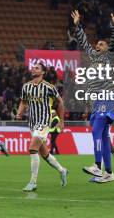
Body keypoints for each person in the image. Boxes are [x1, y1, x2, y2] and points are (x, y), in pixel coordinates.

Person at [72, 9, 114, 183]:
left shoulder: (108, 58)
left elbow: (113, 42)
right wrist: (78, 26)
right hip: (97, 101)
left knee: (96, 131)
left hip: (107, 97)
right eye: (97, 45)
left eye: (101, 45)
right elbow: (83, 42)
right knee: (103, 137)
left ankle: (97, 165)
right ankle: (109, 173)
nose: (98, 46)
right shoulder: (93, 58)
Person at [17, 63, 68, 192]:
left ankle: (33, 182)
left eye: (37, 68)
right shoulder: (26, 87)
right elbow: (23, 102)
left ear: (43, 72)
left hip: (44, 122)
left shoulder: (48, 87)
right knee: (44, 153)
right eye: (33, 68)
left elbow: (60, 102)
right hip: (33, 123)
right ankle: (62, 170)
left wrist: (61, 120)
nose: (34, 69)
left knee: (32, 148)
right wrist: (19, 113)